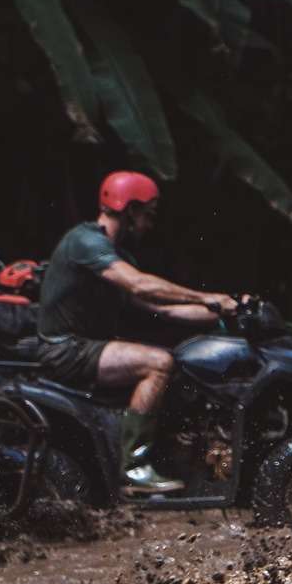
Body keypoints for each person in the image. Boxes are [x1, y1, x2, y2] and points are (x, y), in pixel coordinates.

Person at [35, 171, 238, 494]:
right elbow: (140, 284)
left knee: (179, 362)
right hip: (66, 349)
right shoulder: (86, 241)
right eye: (148, 214)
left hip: (88, 346)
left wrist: (225, 311)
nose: (150, 224)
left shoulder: (117, 256)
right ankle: (133, 469)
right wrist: (207, 297)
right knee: (158, 363)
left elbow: (164, 309)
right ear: (130, 209)